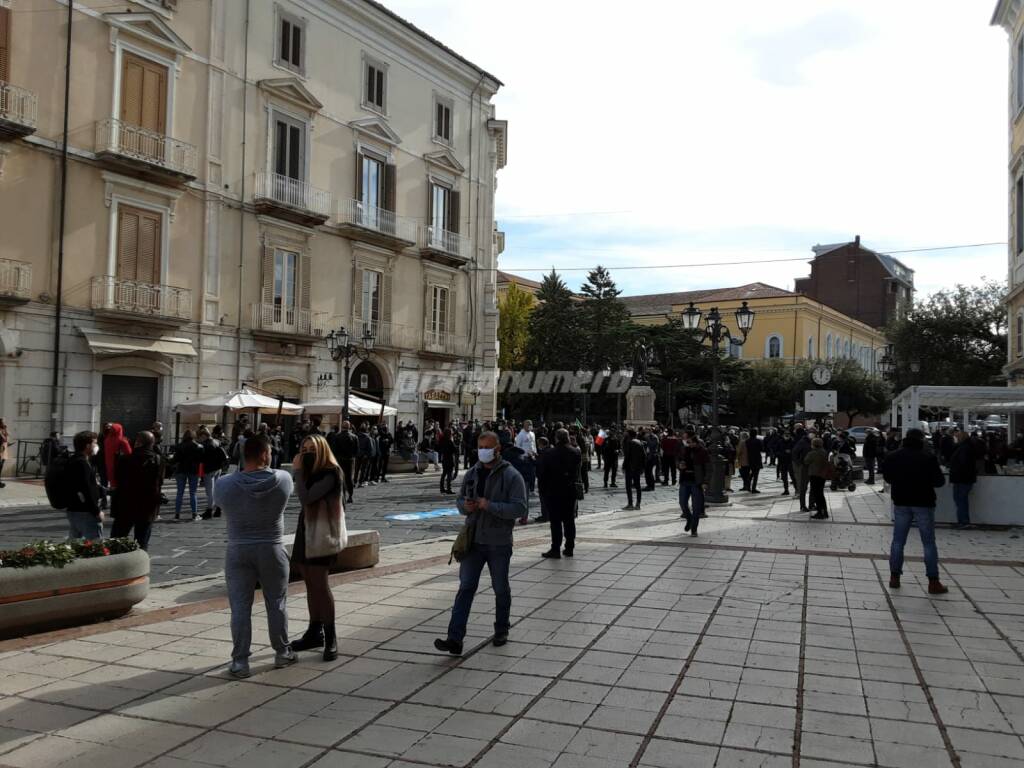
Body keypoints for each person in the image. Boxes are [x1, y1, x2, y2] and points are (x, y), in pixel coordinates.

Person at [434, 431, 527, 656]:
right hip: (473, 539)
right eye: (480, 447)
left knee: (500, 587)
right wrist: (466, 506)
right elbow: (459, 501)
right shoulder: (473, 472)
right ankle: (454, 639)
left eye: (487, 447)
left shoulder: (512, 475)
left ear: (498, 449)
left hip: (498, 542)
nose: (483, 451)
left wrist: (489, 505)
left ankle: (501, 629)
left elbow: (520, 508)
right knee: (465, 588)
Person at [215, 433, 297, 677]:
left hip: (238, 549)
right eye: (270, 452)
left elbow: (219, 503)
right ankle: (282, 652)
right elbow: (288, 483)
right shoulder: (283, 479)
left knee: (240, 607)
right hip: (272, 547)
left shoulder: (224, 484)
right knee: (277, 602)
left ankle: (240, 661)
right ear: (264, 454)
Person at [289, 434, 346, 662]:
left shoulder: (331, 472)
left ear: (322, 449)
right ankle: (315, 631)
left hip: (323, 534)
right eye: (304, 449)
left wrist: (298, 471)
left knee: (320, 584)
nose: (307, 453)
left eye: (312, 448)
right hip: (306, 531)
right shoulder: (311, 472)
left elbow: (306, 497)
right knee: (310, 583)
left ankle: (331, 636)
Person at [882, 428, 949, 595]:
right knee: (928, 542)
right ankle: (933, 582)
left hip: (901, 502)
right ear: (921, 439)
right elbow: (939, 481)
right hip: (923, 502)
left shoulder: (893, 456)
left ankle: (894, 577)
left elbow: (888, 477)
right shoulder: (928, 457)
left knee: (898, 541)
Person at [111, 431, 163, 549]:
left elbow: (118, 479)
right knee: (142, 540)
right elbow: (159, 481)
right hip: (147, 505)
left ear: (137, 443)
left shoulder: (125, 459)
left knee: (117, 538)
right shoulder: (158, 460)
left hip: (126, 503)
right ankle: (140, 563)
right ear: (152, 443)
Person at [537, 428, 581, 559]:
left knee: (555, 521)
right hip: (569, 490)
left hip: (553, 491)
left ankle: (555, 548)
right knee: (569, 520)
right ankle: (569, 547)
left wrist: (542, 491)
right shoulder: (575, 452)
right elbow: (577, 473)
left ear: (556, 438)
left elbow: (542, 474)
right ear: (567, 437)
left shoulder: (549, 453)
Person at [65, 431, 103, 540]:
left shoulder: (73, 460)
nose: (96, 446)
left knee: (74, 545)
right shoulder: (82, 463)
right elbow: (86, 489)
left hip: (73, 509)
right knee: (96, 547)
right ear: (87, 445)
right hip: (85, 512)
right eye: (94, 443)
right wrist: (96, 511)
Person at [678, 430, 709, 536]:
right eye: (688, 442)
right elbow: (678, 460)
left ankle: (694, 528)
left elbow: (708, 468)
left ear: (696, 442)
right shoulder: (684, 450)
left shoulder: (702, 451)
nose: (689, 444)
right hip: (685, 480)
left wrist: (705, 481)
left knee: (696, 507)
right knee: (682, 503)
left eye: (690, 442)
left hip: (696, 482)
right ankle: (689, 519)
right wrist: (680, 465)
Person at [949, 430, 977, 530]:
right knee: (961, 501)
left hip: (961, 479)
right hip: (965, 478)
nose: (956, 437)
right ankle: (963, 521)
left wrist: (954, 472)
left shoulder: (963, 448)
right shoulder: (966, 447)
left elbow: (962, 464)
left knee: (960, 501)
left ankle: (963, 521)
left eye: (957, 436)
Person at [173, 430, 204, 521]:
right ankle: (194, 514)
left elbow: (175, 460)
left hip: (181, 470)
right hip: (194, 471)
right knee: (193, 493)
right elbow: (201, 460)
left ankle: (177, 514)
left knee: (180, 493)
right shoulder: (199, 447)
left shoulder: (179, 446)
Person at [330, 421, 358, 503]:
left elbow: (334, 449)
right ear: (349, 427)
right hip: (350, 460)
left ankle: (342, 496)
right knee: (349, 478)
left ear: (342, 427)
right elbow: (356, 450)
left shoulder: (337, 436)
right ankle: (350, 496)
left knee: (340, 477)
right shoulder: (354, 437)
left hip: (339, 459)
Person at [804, 437, 830, 519]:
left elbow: (806, 461)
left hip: (814, 475)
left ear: (813, 445)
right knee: (821, 494)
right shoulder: (824, 452)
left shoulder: (812, 453)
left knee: (816, 494)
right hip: (822, 475)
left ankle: (820, 512)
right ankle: (824, 511)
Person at [103, 423, 132, 493]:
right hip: (120, 468)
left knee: (113, 486)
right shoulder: (122, 441)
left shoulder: (107, 440)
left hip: (109, 467)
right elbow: (129, 454)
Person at [622, 429, 646, 510]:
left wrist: (624, 466)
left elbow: (627, 456)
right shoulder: (640, 443)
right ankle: (638, 504)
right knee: (638, 486)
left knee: (628, 486)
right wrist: (642, 467)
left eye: (626, 434)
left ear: (629, 435)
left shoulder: (629, 442)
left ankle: (630, 503)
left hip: (629, 467)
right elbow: (644, 456)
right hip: (637, 468)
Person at [792, 427, 812, 512]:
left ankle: (812, 504)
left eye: (814, 433)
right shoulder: (802, 442)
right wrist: (800, 463)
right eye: (811, 433)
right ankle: (802, 505)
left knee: (813, 487)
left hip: (813, 467)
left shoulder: (814, 442)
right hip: (805, 467)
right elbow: (794, 453)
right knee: (803, 487)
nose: (813, 434)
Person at [438, 428, 458, 494]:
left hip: (444, 458)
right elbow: (455, 450)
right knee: (449, 474)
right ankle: (449, 489)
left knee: (444, 474)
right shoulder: (449, 441)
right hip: (449, 458)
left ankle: (442, 488)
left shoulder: (442, 440)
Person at [0, 417, 11, 487]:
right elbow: (3, 437)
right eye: (3, 421)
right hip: (1, 447)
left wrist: (6, 430)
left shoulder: (4, 429)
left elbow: (8, 435)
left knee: (1, 465)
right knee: (0, 464)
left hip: (4, 447)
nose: (4, 423)